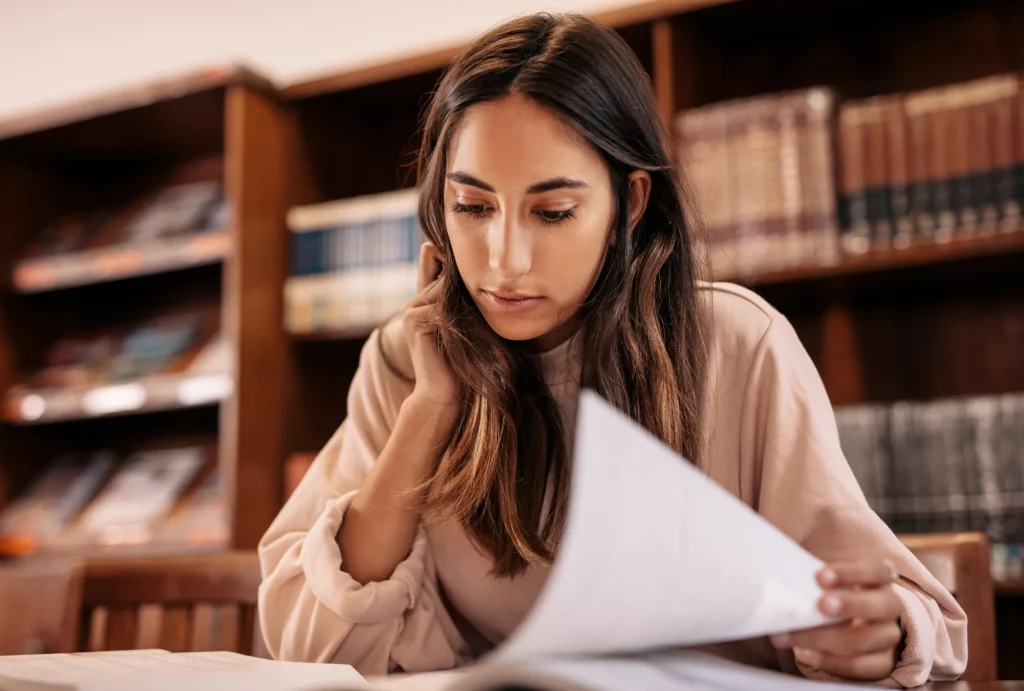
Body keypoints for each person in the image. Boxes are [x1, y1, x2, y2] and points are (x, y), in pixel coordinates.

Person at [258, 12, 967, 686]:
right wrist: (430, 408)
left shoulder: (739, 346)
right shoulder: (407, 360)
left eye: (553, 212)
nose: (503, 261)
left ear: (628, 203)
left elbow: (898, 615)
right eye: (472, 207)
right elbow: (313, 642)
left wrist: (877, 634)